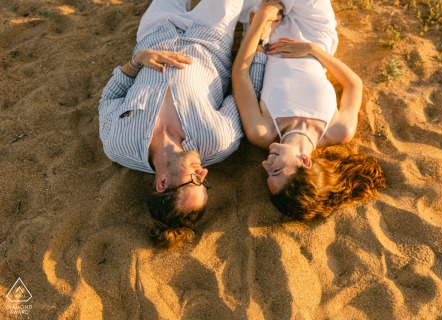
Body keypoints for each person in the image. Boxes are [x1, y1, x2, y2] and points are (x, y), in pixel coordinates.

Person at [99, 0, 247, 248]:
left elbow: (109, 98)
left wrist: (137, 61)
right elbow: (244, 91)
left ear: (163, 183)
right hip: (210, 35)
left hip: (155, 32)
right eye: (204, 182)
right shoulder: (219, 141)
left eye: (195, 181)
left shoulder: (118, 144)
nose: (204, 173)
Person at [232, 0, 386, 220]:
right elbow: (353, 85)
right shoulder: (339, 131)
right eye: (275, 170)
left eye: (267, 173)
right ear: (305, 161)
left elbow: (240, 74)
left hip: (267, 32)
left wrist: (261, 21)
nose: (266, 163)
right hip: (314, 34)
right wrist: (311, 49)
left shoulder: (262, 132)